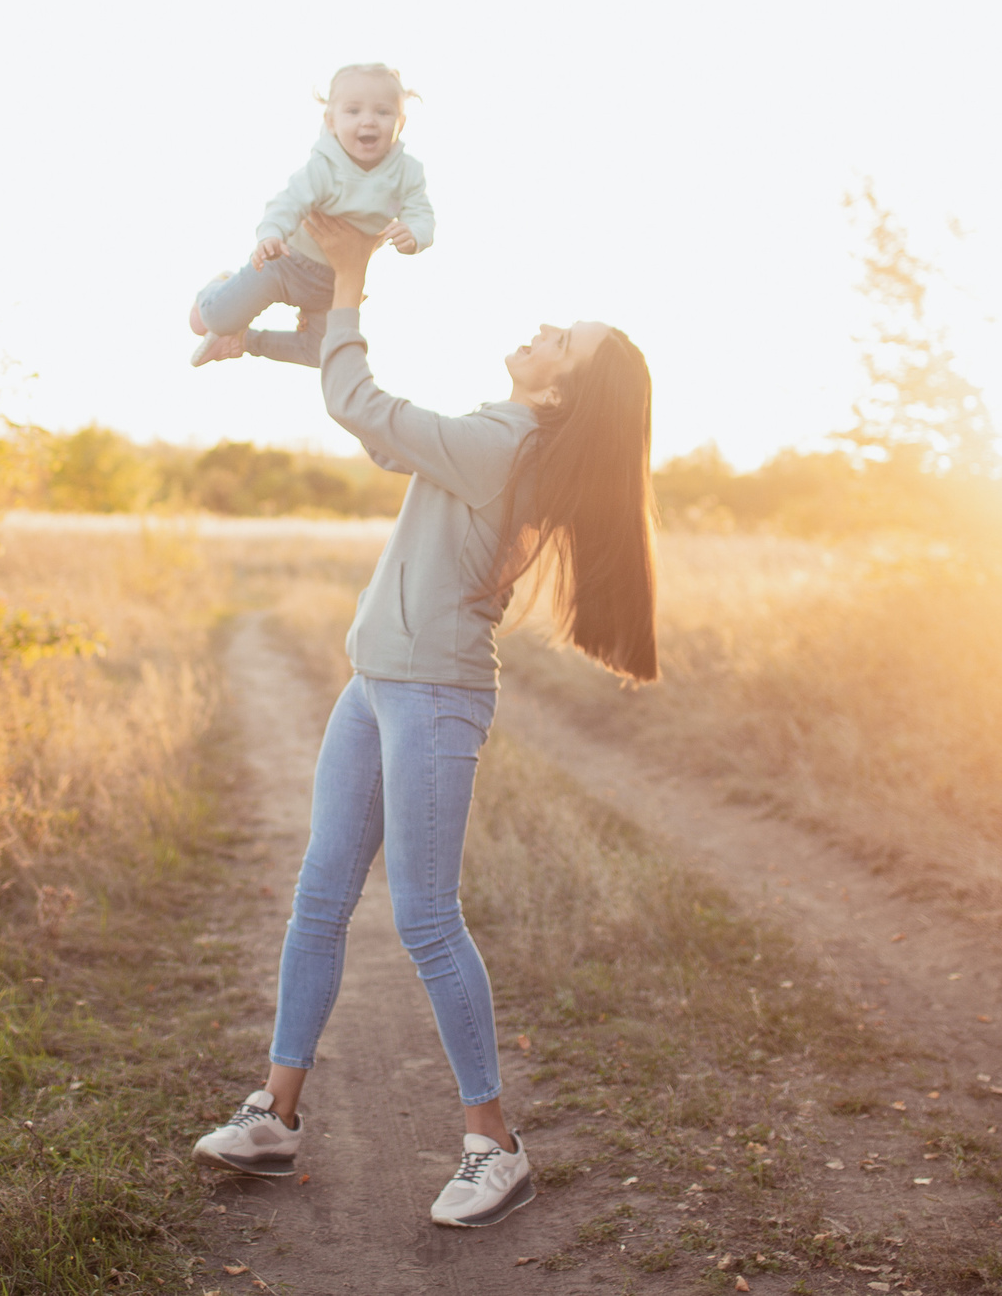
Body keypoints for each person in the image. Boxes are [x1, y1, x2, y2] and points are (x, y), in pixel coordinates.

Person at [192, 207, 659, 1228]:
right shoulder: (499, 437)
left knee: (423, 919)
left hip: (436, 697)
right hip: (377, 686)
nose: (542, 330)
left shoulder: (509, 448)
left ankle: (495, 1144)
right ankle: (274, 1114)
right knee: (319, 897)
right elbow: (365, 398)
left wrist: (352, 271)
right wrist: (261, 339)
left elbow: (362, 402)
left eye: (561, 340)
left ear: (563, 386)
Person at [188, 63, 435, 369]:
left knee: (322, 354)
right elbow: (288, 203)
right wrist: (271, 235)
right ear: (330, 122)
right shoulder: (324, 167)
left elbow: (420, 211)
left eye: (383, 112)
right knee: (213, 317)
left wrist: (414, 234)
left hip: (335, 283)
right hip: (286, 263)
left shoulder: (406, 172)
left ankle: (245, 341)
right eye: (354, 111)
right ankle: (220, 287)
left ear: (402, 122)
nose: (368, 121)